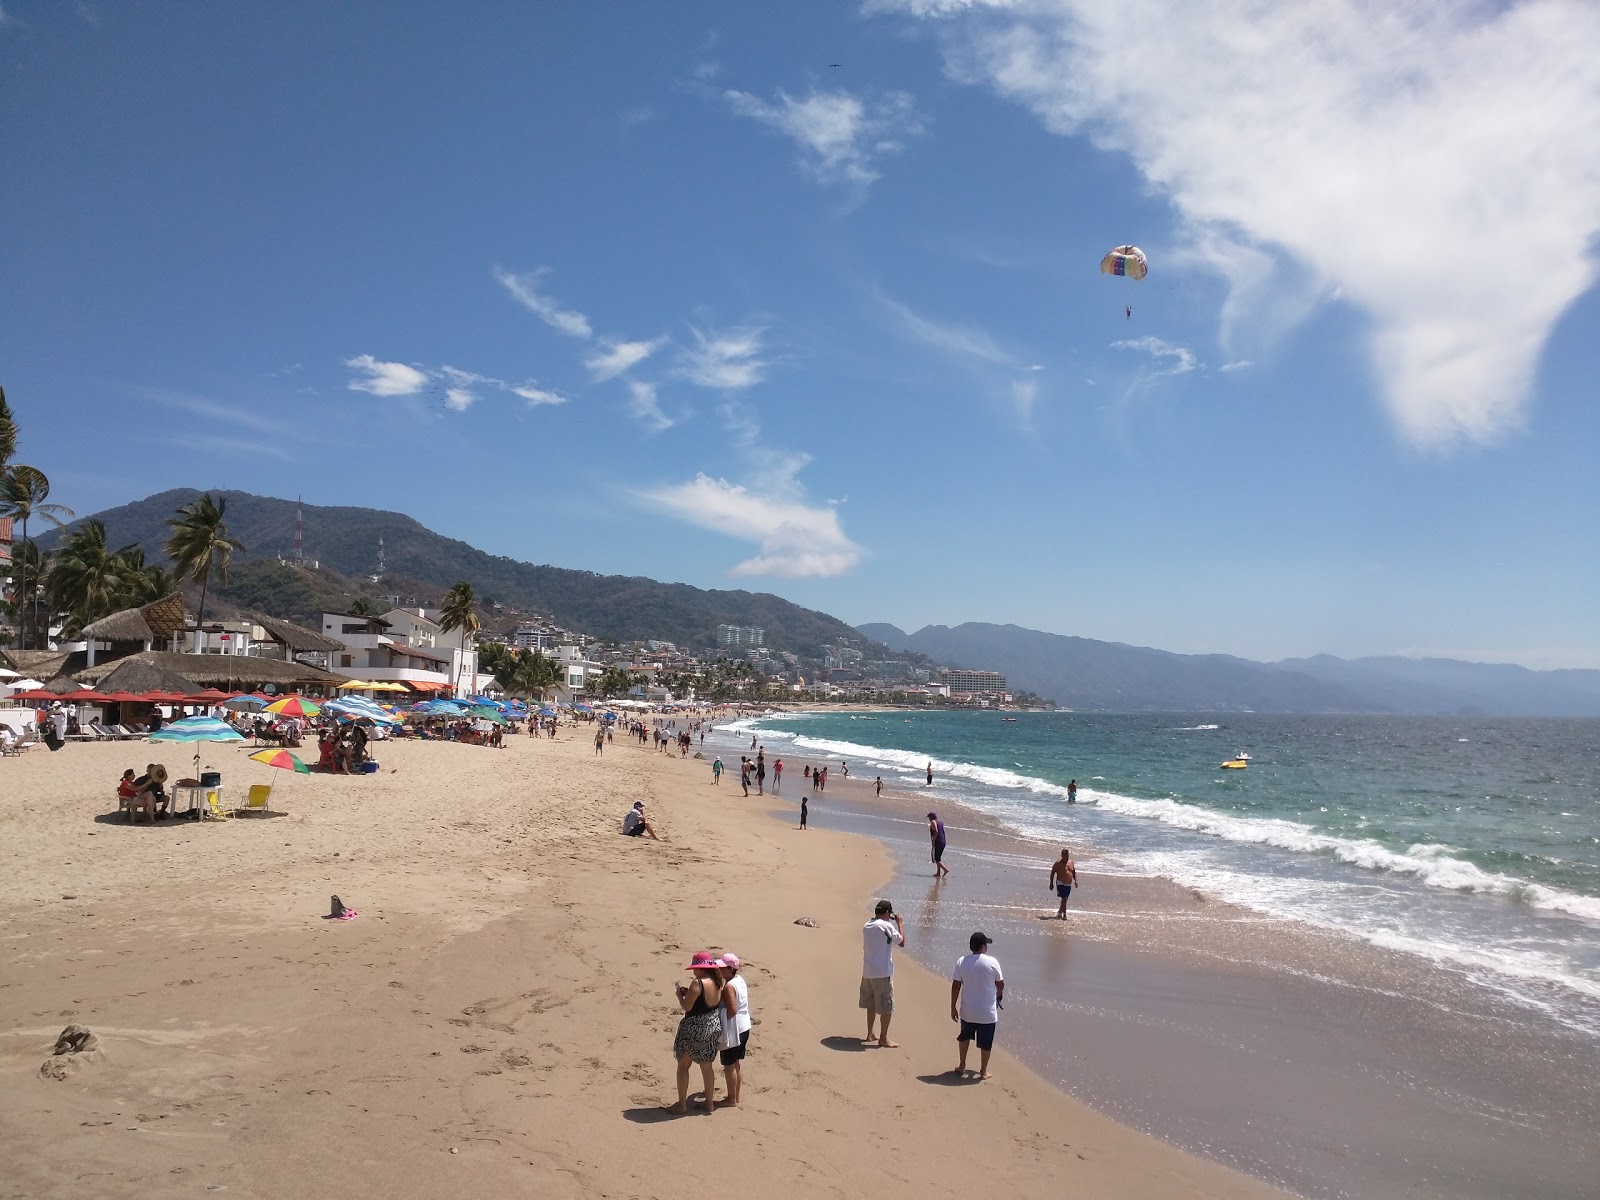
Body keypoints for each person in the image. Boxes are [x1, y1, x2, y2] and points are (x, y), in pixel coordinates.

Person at [673, 951, 726, 1115]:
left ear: (700, 969)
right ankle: (709, 1104)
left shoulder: (698, 983)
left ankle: (682, 1105)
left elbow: (687, 1007)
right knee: (706, 1065)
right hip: (712, 1026)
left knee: (683, 1064)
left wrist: (680, 996)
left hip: (695, 1027)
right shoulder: (717, 982)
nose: (694, 972)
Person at [950, 932, 1004, 1080]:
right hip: (987, 1012)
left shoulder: (962, 961)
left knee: (964, 1037)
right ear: (983, 947)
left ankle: (962, 1065)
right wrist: (999, 994)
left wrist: (952, 1006)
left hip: (968, 1010)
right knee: (986, 1043)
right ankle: (983, 1071)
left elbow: (956, 986)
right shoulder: (992, 962)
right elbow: (1000, 983)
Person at [860, 899, 905, 1048]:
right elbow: (902, 942)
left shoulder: (867, 925)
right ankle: (883, 1037)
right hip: (882, 972)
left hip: (867, 971)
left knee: (871, 1003)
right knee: (887, 1005)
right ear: (887, 913)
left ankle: (870, 1033)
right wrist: (900, 923)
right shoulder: (886, 925)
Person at [717, 953, 751, 1107]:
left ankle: (731, 1099)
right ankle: (735, 1097)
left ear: (730, 969)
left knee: (729, 1064)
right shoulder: (739, 980)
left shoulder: (729, 986)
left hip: (734, 1029)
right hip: (744, 1027)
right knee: (736, 1063)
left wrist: (719, 1015)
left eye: (722, 967)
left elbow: (731, 1010)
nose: (719, 969)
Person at [1049, 847, 1078, 918]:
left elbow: (1073, 872)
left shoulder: (1071, 862)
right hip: (1060, 883)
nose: (1066, 857)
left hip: (1068, 884)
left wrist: (1076, 881)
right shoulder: (1058, 863)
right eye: (1065, 856)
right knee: (1064, 898)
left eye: (1067, 856)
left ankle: (1059, 912)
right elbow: (1052, 873)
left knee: (1065, 899)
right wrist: (1051, 883)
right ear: (1062, 856)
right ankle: (1064, 915)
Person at [928, 811, 950, 878]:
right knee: (938, 858)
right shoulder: (940, 822)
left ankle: (945, 869)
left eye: (929, 817)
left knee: (936, 858)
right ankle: (938, 873)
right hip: (943, 841)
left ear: (931, 817)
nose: (928, 818)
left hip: (938, 841)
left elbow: (936, 831)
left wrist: (933, 841)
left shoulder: (933, 822)